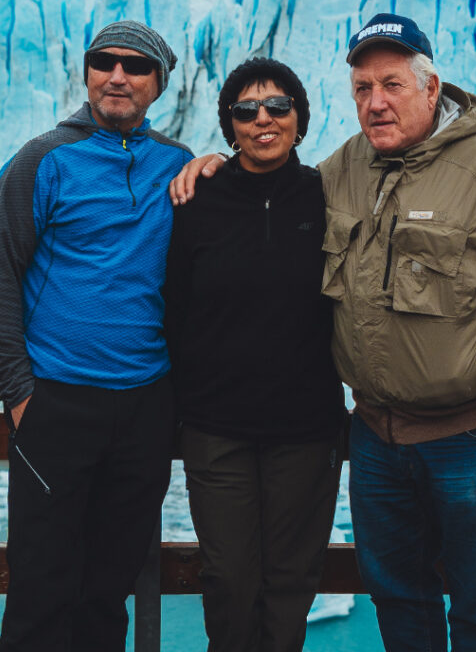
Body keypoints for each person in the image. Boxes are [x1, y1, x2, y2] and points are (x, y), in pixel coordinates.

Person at [171, 12, 476, 652]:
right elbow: (270, 180)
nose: (376, 102)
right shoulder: (346, 168)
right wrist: (216, 163)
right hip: (377, 436)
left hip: (473, 436)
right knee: (401, 604)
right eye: (363, 89)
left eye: (392, 85)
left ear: (431, 88)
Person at [0, 20, 192, 651]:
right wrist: (19, 394)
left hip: (145, 407)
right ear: (88, 72)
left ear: (158, 84)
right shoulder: (43, 160)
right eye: (104, 62)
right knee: (41, 590)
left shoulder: (177, 166)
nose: (117, 76)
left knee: (107, 590)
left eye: (136, 66)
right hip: (57, 402)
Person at [164, 57, 344, 652]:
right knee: (228, 580)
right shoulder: (198, 199)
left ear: (299, 119)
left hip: (306, 430)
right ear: (230, 125)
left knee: (291, 582)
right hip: (217, 430)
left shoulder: (328, 196)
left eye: (277, 106)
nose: (262, 119)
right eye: (245, 110)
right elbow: (173, 308)